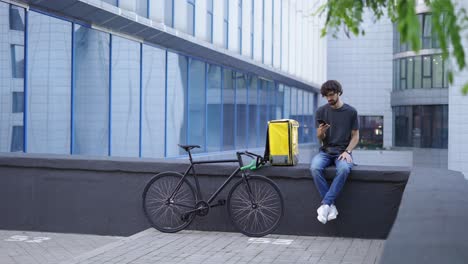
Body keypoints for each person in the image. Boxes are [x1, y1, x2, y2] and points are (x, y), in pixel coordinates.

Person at [310, 80, 359, 224]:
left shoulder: (351, 112)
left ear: (339, 93)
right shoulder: (321, 111)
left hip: (343, 152)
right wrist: (320, 133)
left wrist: (348, 151)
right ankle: (329, 205)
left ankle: (325, 205)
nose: (329, 98)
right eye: (326, 96)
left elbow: (355, 136)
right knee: (315, 168)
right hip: (325, 151)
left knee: (344, 169)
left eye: (331, 95)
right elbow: (320, 139)